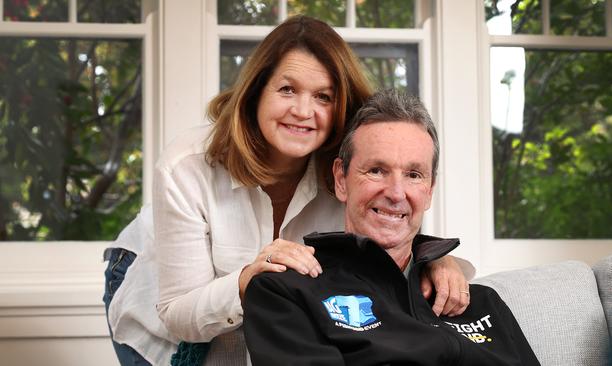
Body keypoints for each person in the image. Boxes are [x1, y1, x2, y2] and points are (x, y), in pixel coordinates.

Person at [103, 16, 474, 366]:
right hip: (158, 297)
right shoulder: (187, 165)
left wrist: (433, 259)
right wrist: (247, 279)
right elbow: (178, 316)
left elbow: (389, 231)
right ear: (256, 92)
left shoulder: (351, 167)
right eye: (287, 89)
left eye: (323, 97)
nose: (302, 110)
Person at [243, 89, 539, 365]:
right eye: (376, 170)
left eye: (413, 174)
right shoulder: (287, 292)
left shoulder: (481, 303)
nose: (396, 193)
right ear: (341, 180)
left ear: (430, 189)